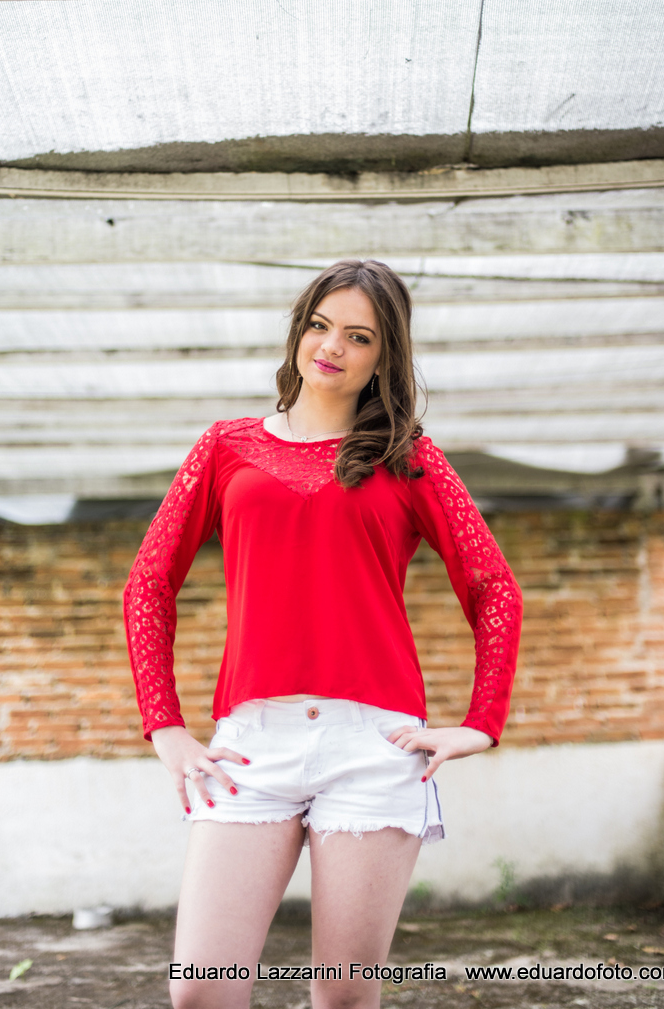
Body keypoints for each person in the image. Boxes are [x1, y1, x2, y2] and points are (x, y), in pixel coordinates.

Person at [123, 258, 522, 1009]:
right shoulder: (225, 446)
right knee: (200, 992)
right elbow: (148, 583)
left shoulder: (408, 457)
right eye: (318, 324)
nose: (330, 346)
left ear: (383, 357)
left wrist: (481, 724)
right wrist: (164, 726)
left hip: (373, 747)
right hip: (250, 745)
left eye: (357, 336)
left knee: (342, 996)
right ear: (298, 330)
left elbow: (492, 586)